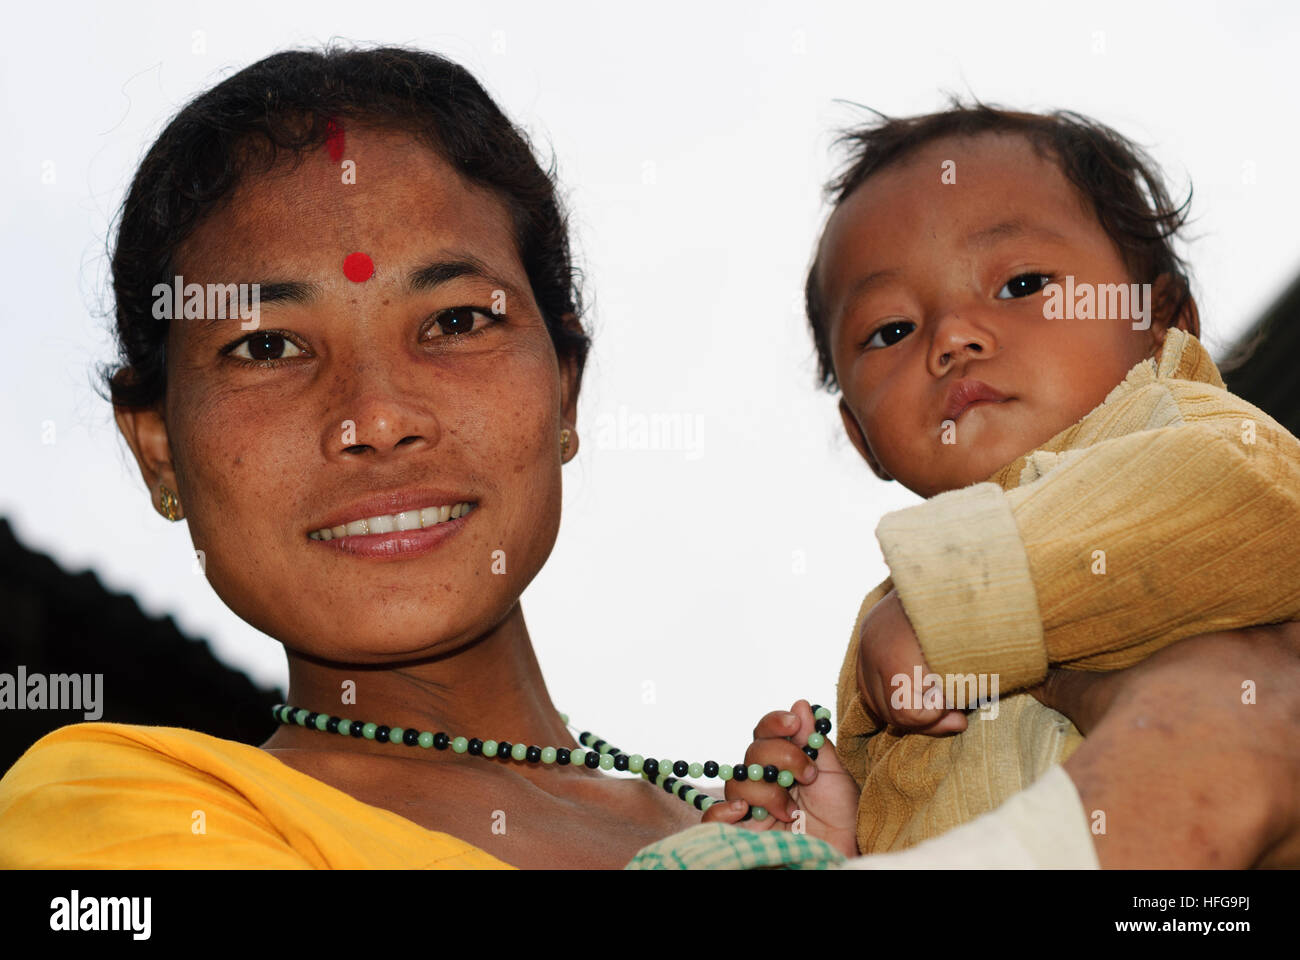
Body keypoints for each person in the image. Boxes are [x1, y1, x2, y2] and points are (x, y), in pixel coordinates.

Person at [0, 50, 1295, 870]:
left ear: (565, 389)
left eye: (455, 321)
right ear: (159, 451)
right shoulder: (115, 811)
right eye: (269, 347)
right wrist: (1157, 789)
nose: (375, 415)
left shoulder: (752, 819)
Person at [704, 102, 1300, 859]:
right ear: (861, 437)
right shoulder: (890, 610)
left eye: (1020, 283)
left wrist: (962, 596)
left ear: (1162, 318)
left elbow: (1255, 502)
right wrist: (844, 833)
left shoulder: (1171, 424)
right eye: (891, 330)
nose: (953, 336)